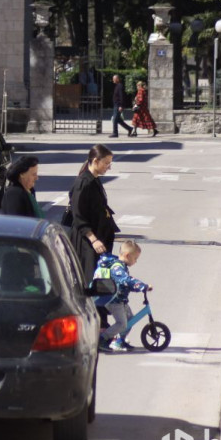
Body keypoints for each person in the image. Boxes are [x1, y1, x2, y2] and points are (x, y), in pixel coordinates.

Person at [68, 144, 118, 284]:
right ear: (95, 161)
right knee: (89, 281)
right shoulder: (83, 183)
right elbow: (78, 215)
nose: (109, 167)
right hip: (87, 243)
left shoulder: (94, 179)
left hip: (97, 240)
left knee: (99, 280)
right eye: (106, 163)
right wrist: (93, 239)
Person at [93, 240, 151, 352]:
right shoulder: (117, 268)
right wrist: (142, 286)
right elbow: (126, 280)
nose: (136, 261)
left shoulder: (121, 266)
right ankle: (102, 339)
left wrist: (138, 288)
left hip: (121, 299)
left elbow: (125, 284)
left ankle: (120, 341)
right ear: (127, 255)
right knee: (121, 323)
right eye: (135, 258)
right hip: (114, 301)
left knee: (130, 319)